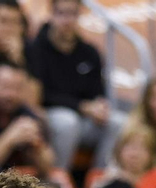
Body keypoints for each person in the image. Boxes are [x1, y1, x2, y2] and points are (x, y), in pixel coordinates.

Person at [31, 0, 109, 175]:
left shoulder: (89, 52)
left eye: (72, 14)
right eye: (62, 14)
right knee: (68, 122)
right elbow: (41, 95)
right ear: (51, 15)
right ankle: (58, 180)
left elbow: (98, 91)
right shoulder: (36, 48)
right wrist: (82, 107)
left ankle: (99, 181)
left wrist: (100, 107)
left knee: (118, 123)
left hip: (85, 117)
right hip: (49, 115)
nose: (67, 20)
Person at [0, 63, 56, 173]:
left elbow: (48, 167)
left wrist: (36, 145)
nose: (10, 94)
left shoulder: (30, 117)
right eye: (5, 87)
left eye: (17, 88)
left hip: (20, 178)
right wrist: (11, 138)